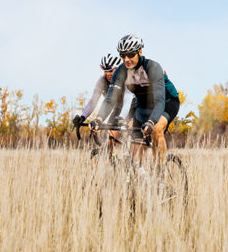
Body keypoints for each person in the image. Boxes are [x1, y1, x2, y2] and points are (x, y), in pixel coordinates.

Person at [96, 34, 180, 166]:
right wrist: (98, 119)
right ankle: (140, 178)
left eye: (130, 55)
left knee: (157, 129)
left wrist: (151, 122)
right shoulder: (120, 72)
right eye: (123, 56)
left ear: (139, 52)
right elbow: (109, 100)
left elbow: (159, 100)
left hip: (166, 101)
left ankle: (161, 171)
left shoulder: (152, 67)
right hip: (143, 105)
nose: (126, 59)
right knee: (136, 148)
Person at [71, 53, 125, 130]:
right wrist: (83, 117)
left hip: (131, 107)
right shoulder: (102, 81)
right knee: (106, 132)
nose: (107, 74)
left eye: (110, 71)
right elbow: (93, 101)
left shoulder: (126, 79)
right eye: (105, 71)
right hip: (115, 108)